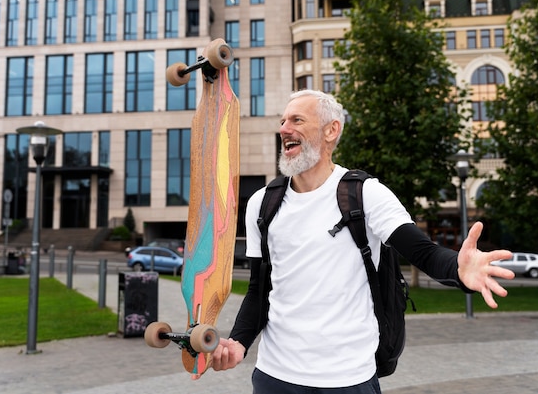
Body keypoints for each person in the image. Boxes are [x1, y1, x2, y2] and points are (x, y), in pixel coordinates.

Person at [202, 90, 515, 393]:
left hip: (349, 379)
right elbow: (260, 290)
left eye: (297, 120)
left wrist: (459, 272)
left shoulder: (365, 194)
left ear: (331, 130)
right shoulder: (262, 204)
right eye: (283, 121)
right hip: (275, 377)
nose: (284, 129)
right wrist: (240, 342)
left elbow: (423, 253)